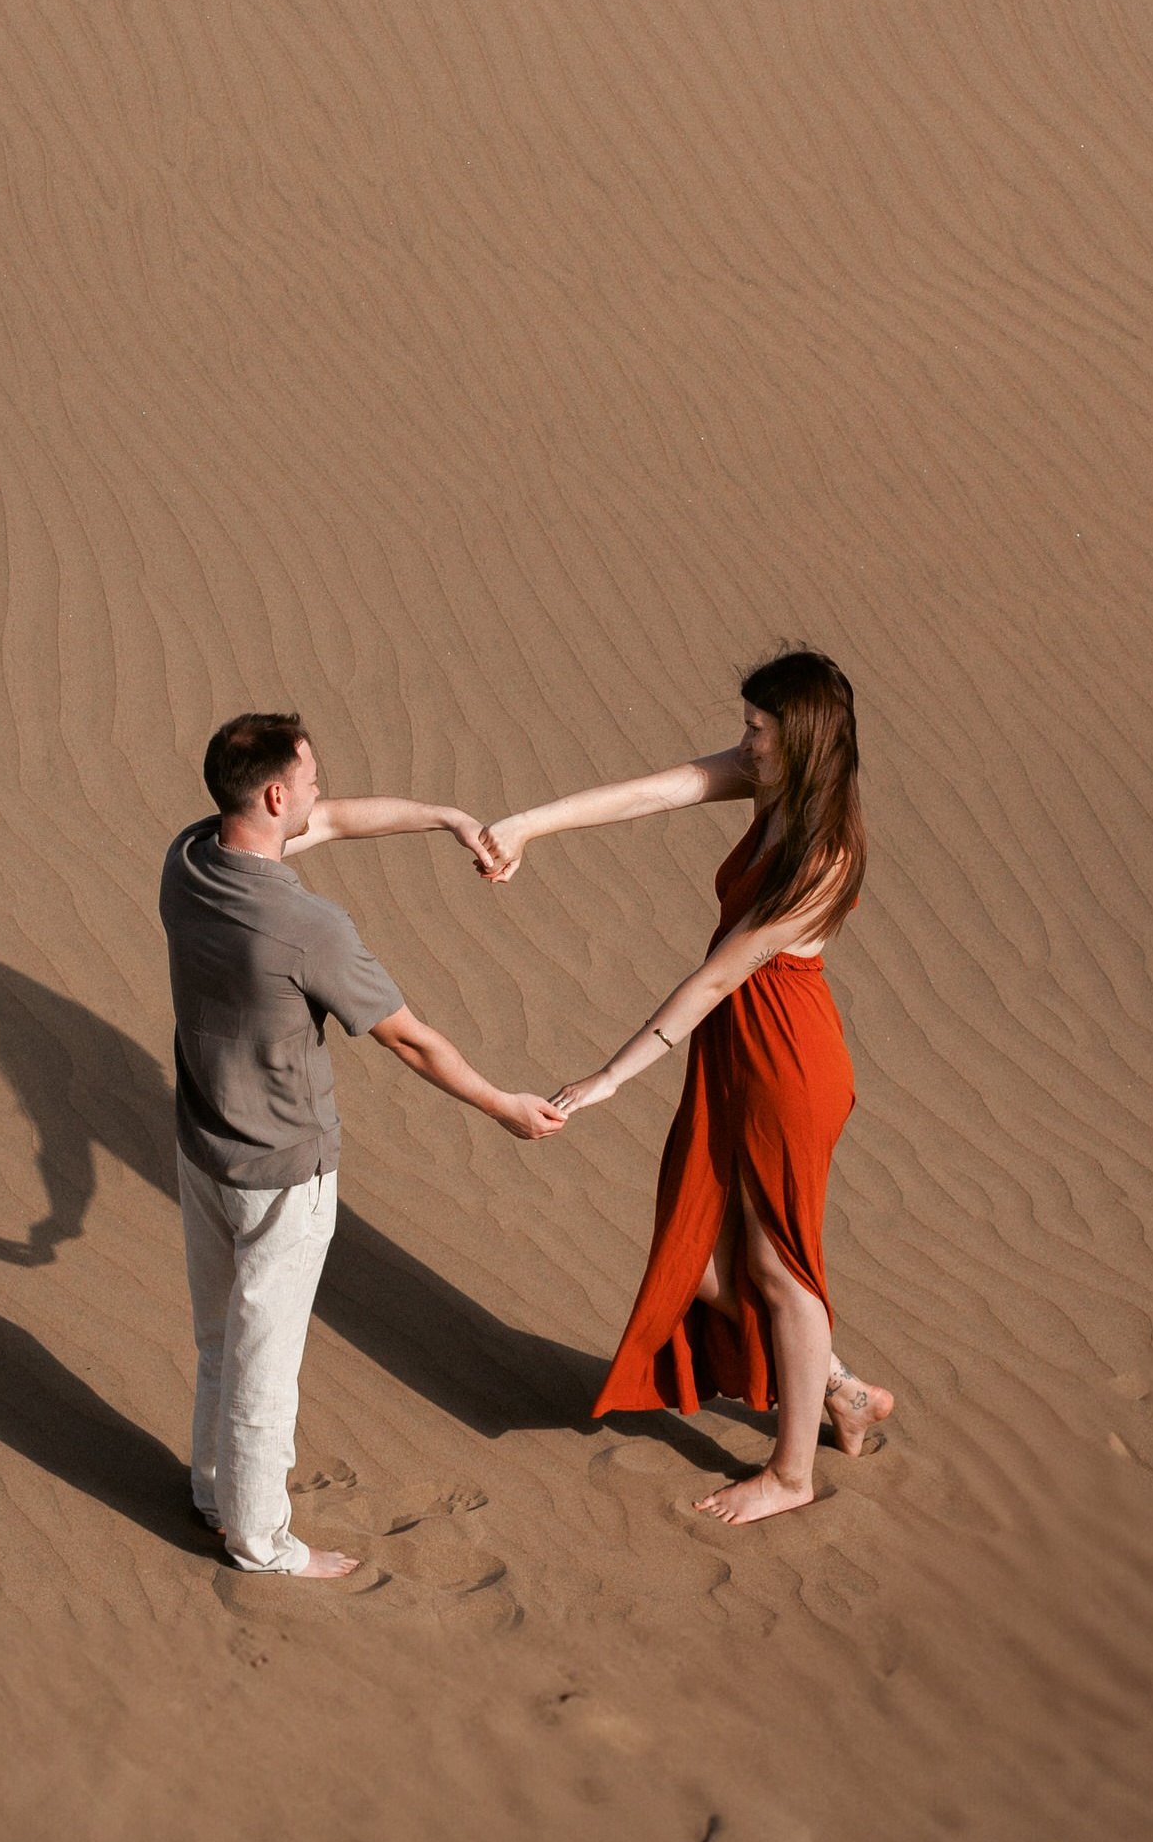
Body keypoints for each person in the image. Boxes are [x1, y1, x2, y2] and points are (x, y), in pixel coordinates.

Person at [479, 649, 893, 1525]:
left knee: (779, 1273)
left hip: (787, 1063)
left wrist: (607, 1078)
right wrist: (524, 825)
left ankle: (790, 1476)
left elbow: (715, 977)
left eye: (756, 731)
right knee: (705, 1265)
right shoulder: (772, 783)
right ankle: (843, 1390)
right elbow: (656, 791)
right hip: (735, 1049)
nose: (742, 743)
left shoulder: (823, 855)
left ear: (802, 741)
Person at [163, 712, 566, 1578]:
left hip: (200, 1148)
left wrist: (448, 817)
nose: (319, 791)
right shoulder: (306, 928)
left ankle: (211, 1492)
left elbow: (337, 820)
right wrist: (503, 1105)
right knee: (265, 1366)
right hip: (282, 1174)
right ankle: (260, 1540)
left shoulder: (190, 856)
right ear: (274, 794)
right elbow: (409, 1039)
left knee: (215, 1341)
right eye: (308, 777)